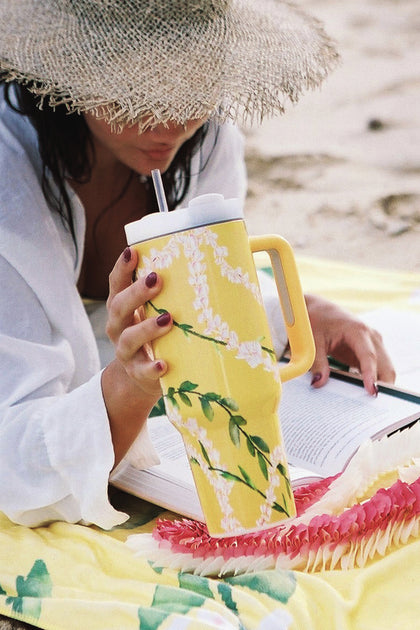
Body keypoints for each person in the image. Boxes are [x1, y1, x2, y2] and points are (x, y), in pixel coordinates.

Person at [0, 0, 395, 530]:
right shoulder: (9, 175)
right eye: (134, 91)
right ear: (70, 72)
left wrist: (293, 315)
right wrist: (129, 384)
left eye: (191, 88)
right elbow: (15, 460)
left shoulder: (207, 141)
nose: (169, 122)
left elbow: (208, 300)